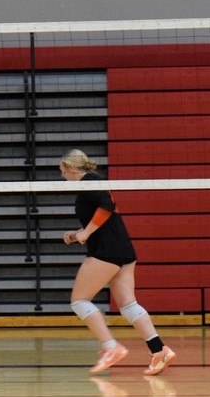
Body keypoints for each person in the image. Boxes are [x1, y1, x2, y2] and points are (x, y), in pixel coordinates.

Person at [59, 149, 176, 375]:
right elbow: (106, 218)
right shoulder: (93, 182)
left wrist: (87, 233)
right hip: (121, 247)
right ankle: (159, 350)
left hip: (107, 251)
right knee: (128, 305)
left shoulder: (89, 182)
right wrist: (79, 233)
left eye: (63, 172)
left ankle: (110, 347)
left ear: (72, 168)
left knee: (79, 301)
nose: (62, 177)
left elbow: (107, 207)